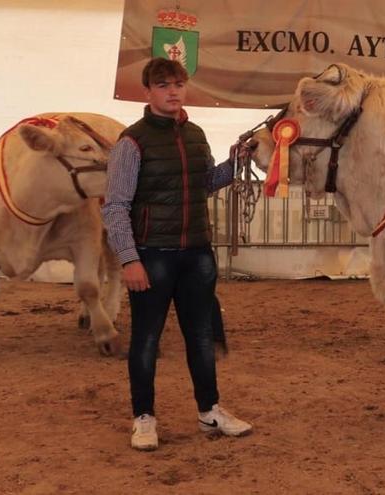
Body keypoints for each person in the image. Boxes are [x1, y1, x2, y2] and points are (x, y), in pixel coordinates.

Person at [101, 57, 252, 451]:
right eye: (164, 85)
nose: (173, 92)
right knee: (146, 340)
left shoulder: (197, 135)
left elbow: (205, 183)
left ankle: (210, 411)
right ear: (148, 91)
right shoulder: (131, 143)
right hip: (152, 257)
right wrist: (129, 259)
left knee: (201, 337)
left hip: (196, 255)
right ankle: (144, 418)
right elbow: (115, 205)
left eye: (178, 85)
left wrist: (237, 161)